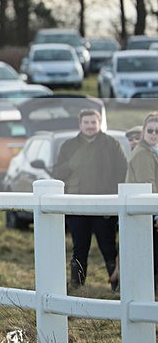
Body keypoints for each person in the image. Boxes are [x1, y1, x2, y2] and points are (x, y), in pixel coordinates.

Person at [53, 109, 127, 289]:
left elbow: (123, 171)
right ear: (80, 124)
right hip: (76, 205)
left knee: (108, 247)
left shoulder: (111, 144)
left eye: (93, 122)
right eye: (86, 122)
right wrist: (71, 164)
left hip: (105, 205)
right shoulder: (69, 146)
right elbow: (57, 173)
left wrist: (115, 198)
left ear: (99, 123)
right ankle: (77, 286)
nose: (90, 126)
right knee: (79, 248)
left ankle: (118, 286)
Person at [125, 112, 158, 286]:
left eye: (157, 131)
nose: (153, 134)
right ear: (144, 131)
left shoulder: (152, 151)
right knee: (150, 258)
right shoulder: (143, 153)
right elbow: (149, 185)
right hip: (147, 214)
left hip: (148, 213)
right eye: (150, 130)